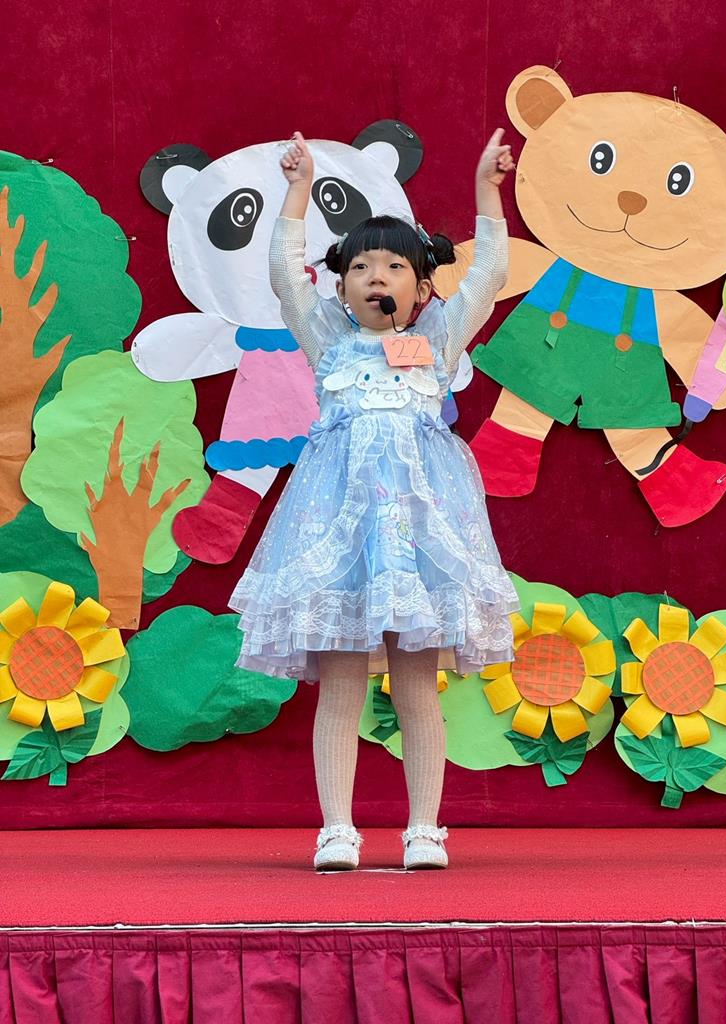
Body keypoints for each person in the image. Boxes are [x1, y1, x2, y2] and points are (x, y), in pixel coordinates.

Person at [230, 129, 519, 871]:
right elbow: (284, 276)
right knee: (339, 684)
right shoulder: (326, 339)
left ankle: (424, 828)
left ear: (421, 289)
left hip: (417, 540)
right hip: (339, 534)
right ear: (342, 287)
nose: (375, 276)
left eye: (393, 265)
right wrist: (298, 191)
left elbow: (489, 273)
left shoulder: (440, 339)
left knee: (417, 684)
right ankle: (337, 828)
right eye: (360, 266)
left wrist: (487, 190)